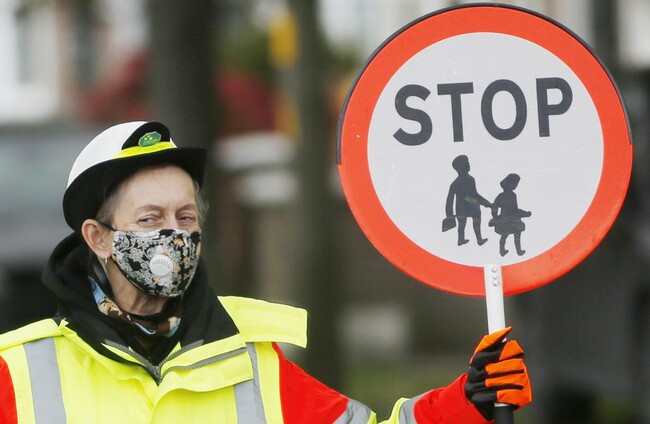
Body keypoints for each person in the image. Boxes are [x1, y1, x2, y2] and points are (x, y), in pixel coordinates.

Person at [0, 121, 531, 423]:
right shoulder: (20, 372)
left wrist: (468, 401)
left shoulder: (252, 361)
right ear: (98, 238)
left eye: (185, 217)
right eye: (149, 219)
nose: (174, 236)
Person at [445, 155, 491, 246]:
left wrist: (449, 215)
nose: (469, 165)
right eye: (466, 164)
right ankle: (478, 239)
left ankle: (461, 240)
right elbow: (475, 195)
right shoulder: (469, 180)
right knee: (474, 221)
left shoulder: (455, 183)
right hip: (472, 206)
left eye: (468, 163)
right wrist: (487, 204)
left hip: (462, 208)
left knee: (462, 224)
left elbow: (449, 202)